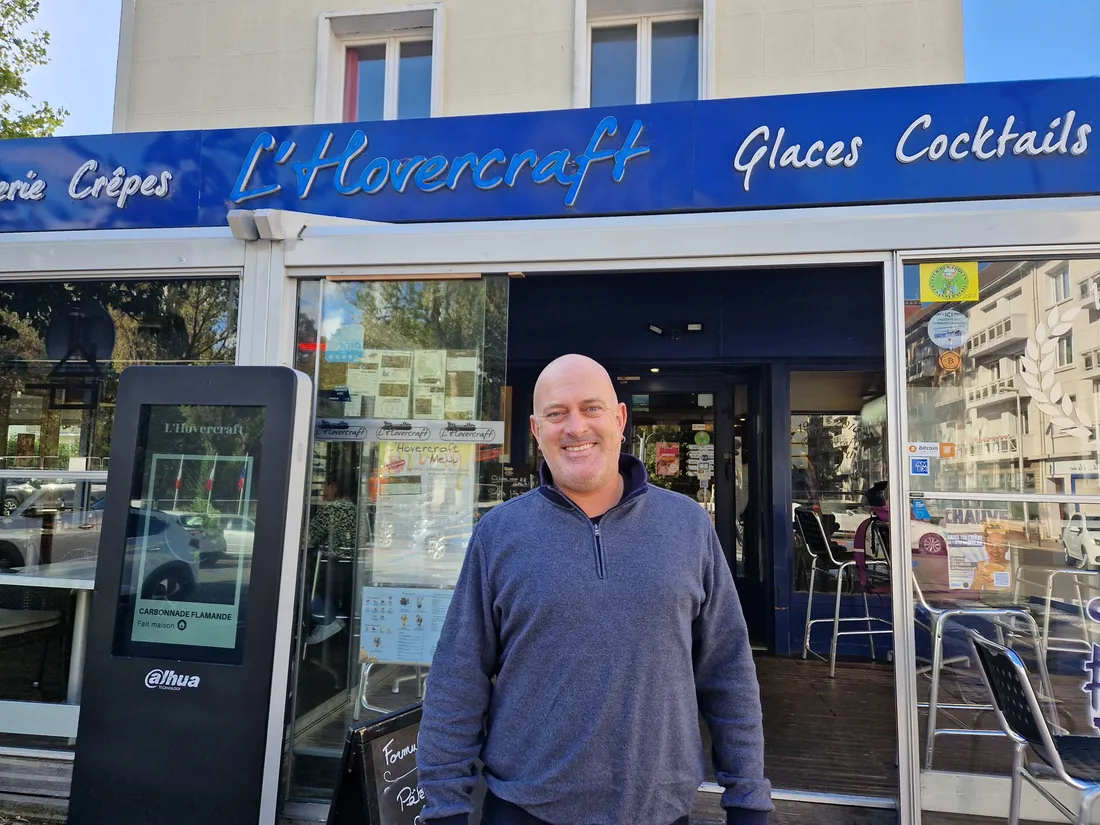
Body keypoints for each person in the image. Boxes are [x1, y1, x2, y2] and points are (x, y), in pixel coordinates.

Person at [417, 354, 772, 825]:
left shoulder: (687, 525)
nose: (575, 427)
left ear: (620, 419)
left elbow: (728, 669)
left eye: (591, 408)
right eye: (556, 413)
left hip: (660, 811)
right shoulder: (498, 534)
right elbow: (458, 678)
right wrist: (444, 806)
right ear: (536, 429)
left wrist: (748, 797)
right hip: (524, 809)